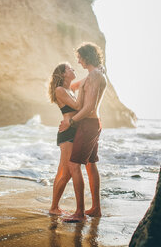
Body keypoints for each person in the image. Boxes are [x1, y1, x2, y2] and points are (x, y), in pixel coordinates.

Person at [59, 42, 107, 222]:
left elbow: (89, 107)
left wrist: (70, 122)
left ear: (87, 57)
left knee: (74, 165)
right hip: (93, 123)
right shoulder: (94, 75)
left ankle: (79, 213)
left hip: (88, 124)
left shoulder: (95, 75)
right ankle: (95, 208)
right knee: (90, 164)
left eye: (79, 58)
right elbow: (74, 88)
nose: (78, 61)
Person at [48, 62, 84, 215]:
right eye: (70, 68)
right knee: (67, 172)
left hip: (73, 131)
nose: (73, 69)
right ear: (63, 74)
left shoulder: (69, 89)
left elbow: (84, 82)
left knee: (62, 171)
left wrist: (99, 70)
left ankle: (54, 207)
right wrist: (82, 90)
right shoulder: (60, 90)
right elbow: (77, 106)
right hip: (67, 133)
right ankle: (54, 207)